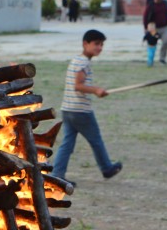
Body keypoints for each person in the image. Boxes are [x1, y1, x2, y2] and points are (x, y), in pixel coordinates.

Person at [52, 29, 122, 184]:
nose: (99, 48)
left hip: (68, 109)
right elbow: (78, 85)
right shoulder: (83, 62)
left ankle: (57, 174)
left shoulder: (78, 60)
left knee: (67, 143)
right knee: (96, 140)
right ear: (85, 44)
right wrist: (96, 90)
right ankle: (106, 168)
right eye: (96, 44)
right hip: (80, 111)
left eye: (102, 45)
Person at [143, 0, 167, 65]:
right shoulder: (151, 5)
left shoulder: (165, 4)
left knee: (166, 41)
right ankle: (150, 59)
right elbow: (145, 17)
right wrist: (146, 28)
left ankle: (162, 59)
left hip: (164, 27)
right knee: (152, 43)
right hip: (153, 28)